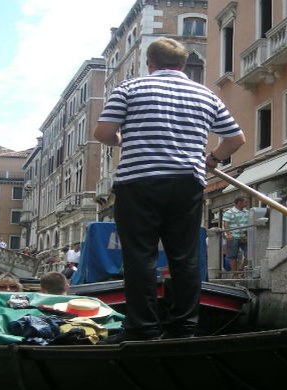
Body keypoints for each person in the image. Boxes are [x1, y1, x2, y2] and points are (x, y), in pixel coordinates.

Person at [94, 37, 245, 342]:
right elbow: (235, 138)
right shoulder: (206, 94)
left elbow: (104, 132)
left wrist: (125, 140)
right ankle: (184, 328)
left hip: (138, 183)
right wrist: (212, 159)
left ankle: (143, 329)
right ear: (183, 64)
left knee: (140, 257)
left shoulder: (128, 89)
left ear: (149, 64)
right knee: (185, 257)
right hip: (186, 183)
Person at [223, 197, 250, 277]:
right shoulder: (229, 212)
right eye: (245, 202)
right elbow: (226, 224)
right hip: (234, 236)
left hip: (245, 236)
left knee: (249, 254)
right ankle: (235, 274)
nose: (247, 204)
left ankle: (241, 270)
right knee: (232, 255)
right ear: (239, 203)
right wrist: (228, 234)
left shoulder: (247, 212)